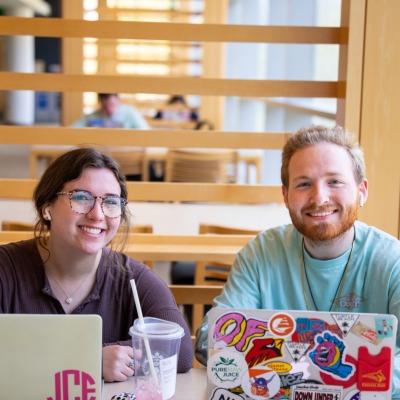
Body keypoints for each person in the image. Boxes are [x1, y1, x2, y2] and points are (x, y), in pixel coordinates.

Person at [195, 125, 400, 396]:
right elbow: (214, 337)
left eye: (334, 181)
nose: (319, 198)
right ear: (285, 196)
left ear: (361, 191)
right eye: (304, 184)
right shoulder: (261, 254)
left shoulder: (392, 261)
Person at [0, 147, 193, 382]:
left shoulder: (133, 278)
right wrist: (89, 359)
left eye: (110, 202)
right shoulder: (6, 269)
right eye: (81, 197)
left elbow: (180, 352)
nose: (97, 214)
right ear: (47, 207)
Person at [72, 93, 149, 129]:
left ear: (118, 100)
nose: (109, 110)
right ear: (101, 103)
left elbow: (145, 132)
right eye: (105, 107)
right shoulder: (94, 116)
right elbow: (73, 128)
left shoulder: (130, 113)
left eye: (112, 105)